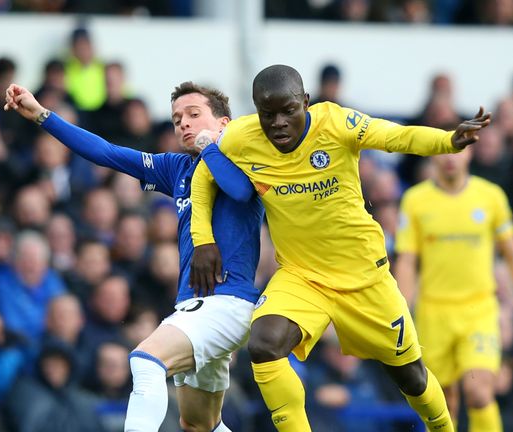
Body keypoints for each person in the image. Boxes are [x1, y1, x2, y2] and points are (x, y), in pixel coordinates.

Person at [190, 64, 491, 432]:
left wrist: (448, 141)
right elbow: (205, 174)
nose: (279, 122)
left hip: (365, 278)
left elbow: (395, 136)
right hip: (302, 276)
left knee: (410, 376)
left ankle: (443, 427)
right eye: (268, 114)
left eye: (289, 110)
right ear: (256, 110)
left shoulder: (336, 124)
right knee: (264, 345)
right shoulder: (240, 137)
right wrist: (202, 239)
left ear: (306, 102)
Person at [4, 81, 263, 432]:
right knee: (199, 425)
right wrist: (42, 116)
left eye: (193, 114)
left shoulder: (246, 161)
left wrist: (211, 149)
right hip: (195, 307)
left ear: (224, 122)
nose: (183, 124)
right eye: (176, 119)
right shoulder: (177, 169)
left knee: (145, 360)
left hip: (226, 302)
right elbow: (108, 152)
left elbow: (240, 190)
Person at [393, 146, 513, 431]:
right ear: (433, 154)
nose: (451, 158)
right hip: (433, 312)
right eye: (444, 150)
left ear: (469, 154)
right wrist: (402, 313)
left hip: (478, 310)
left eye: (458, 149)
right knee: (442, 403)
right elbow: (407, 261)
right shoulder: (415, 200)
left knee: (479, 393)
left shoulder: (490, 197)